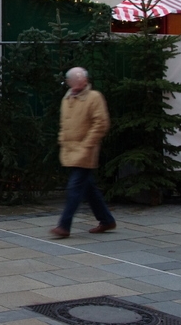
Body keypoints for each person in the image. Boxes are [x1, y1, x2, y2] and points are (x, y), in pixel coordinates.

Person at [50, 67, 117, 238]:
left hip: (85, 151)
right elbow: (64, 123)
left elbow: (101, 124)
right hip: (70, 149)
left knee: (74, 187)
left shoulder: (94, 97)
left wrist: (87, 144)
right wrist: (62, 138)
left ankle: (64, 226)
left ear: (85, 81)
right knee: (88, 188)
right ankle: (107, 220)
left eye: (81, 79)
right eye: (73, 80)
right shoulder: (67, 98)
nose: (78, 83)